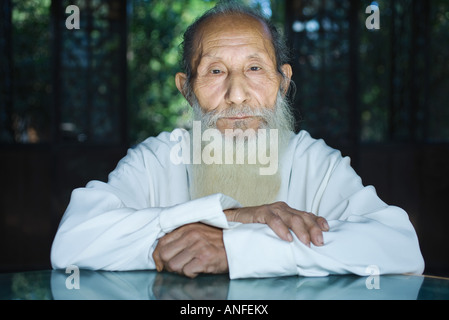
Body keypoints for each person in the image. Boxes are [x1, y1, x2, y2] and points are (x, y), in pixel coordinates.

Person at [51, 2, 424, 279]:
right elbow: (72, 242)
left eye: (255, 68)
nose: (237, 94)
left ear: (283, 82)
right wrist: (234, 217)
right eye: (215, 71)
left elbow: (398, 247)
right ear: (187, 90)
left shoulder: (314, 162)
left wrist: (234, 248)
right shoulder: (159, 158)